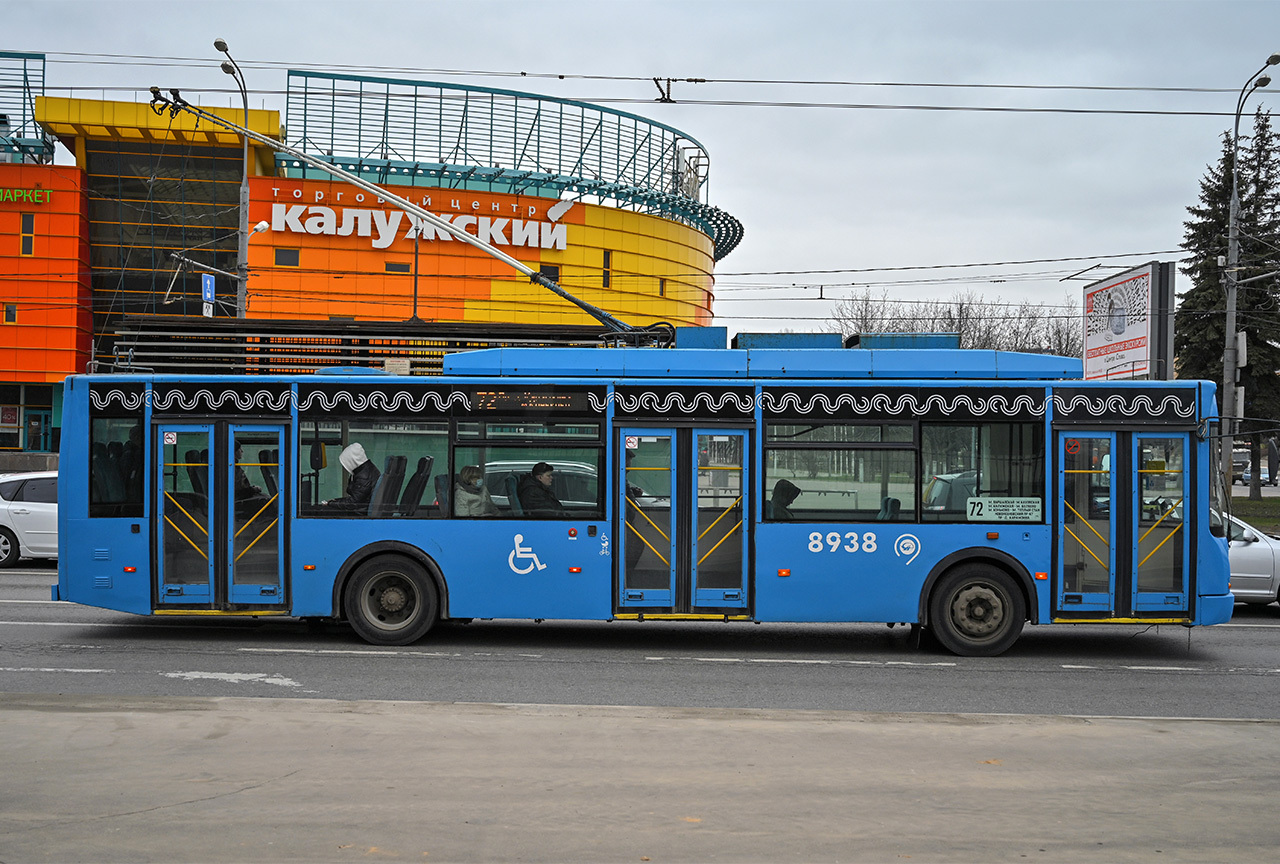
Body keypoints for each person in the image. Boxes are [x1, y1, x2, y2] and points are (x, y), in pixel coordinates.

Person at [324, 442, 380, 512]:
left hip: (359, 512)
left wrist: (331, 503)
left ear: (352, 461)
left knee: (320, 510)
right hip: (361, 509)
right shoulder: (367, 470)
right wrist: (335, 501)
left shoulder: (363, 477)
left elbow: (353, 503)